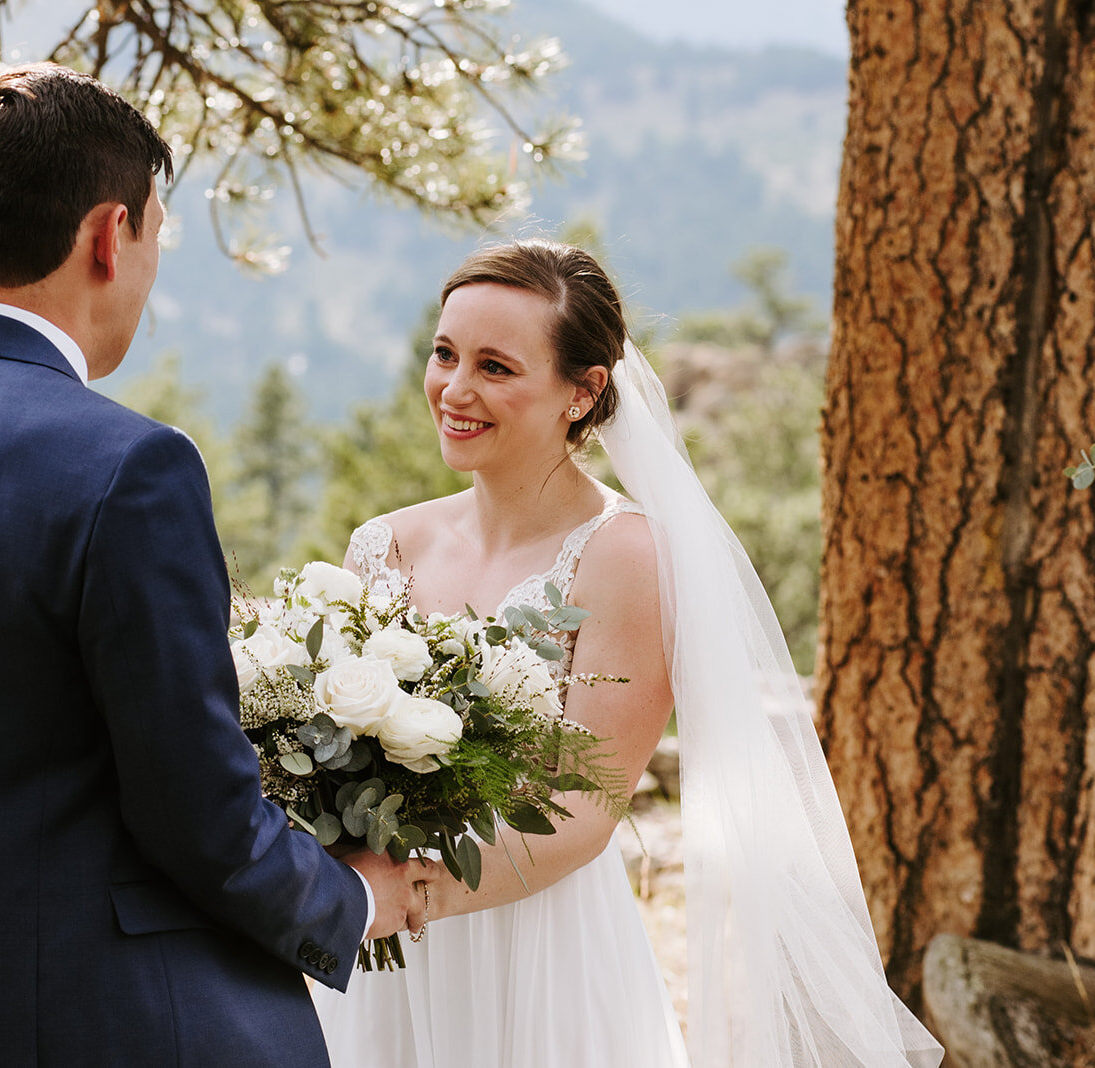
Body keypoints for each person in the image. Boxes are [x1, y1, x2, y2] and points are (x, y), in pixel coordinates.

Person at [0, 63, 426, 1066]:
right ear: (111, 236)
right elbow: (191, 806)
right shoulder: (129, 467)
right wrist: (350, 896)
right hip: (54, 1017)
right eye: (157, 233)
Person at [311, 240, 944, 1067]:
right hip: (377, 942)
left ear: (584, 391)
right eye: (445, 353)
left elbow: (584, 812)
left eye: (496, 367)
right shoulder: (382, 545)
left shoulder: (627, 558)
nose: (454, 390)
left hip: (531, 944)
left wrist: (409, 893)